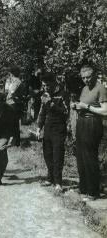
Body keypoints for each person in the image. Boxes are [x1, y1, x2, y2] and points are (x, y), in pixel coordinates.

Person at [71, 64, 107, 201]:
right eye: (83, 78)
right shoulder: (85, 89)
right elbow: (83, 104)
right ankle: (84, 188)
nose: (86, 80)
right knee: (80, 155)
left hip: (93, 123)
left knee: (89, 156)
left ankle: (93, 192)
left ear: (94, 75)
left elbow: (105, 111)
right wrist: (76, 106)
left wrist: (86, 106)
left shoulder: (100, 88)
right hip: (82, 122)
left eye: (88, 77)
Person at [36, 72, 69, 193]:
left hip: (59, 128)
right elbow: (42, 112)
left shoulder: (63, 94)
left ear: (54, 82)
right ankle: (50, 178)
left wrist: (51, 103)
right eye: (43, 85)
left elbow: (65, 112)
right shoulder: (45, 94)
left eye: (47, 85)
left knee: (57, 156)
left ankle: (58, 182)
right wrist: (39, 127)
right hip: (48, 128)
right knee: (47, 154)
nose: (45, 88)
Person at [5, 66, 24, 146]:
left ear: (11, 73)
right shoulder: (12, 81)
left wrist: (9, 95)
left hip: (14, 104)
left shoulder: (16, 81)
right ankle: (14, 141)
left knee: (14, 123)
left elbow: (11, 92)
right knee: (12, 123)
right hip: (11, 103)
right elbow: (6, 90)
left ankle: (15, 141)